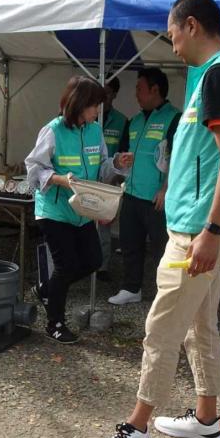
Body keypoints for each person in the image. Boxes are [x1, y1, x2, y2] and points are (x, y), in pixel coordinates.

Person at [92, 0, 220, 438]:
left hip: (199, 230)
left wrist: (211, 229)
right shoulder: (208, 78)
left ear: (190, 25)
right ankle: (206, 420)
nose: (171, 45)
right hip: (197, 225)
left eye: (172, 34)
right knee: (199, 326)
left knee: (161, 329)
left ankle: (137, 428)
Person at [25, 76, 133, 344]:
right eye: (95, 105)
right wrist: (60, 179)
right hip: (54, 210)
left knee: (94, 260)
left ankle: (47, 289)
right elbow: (34, 168)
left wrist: (117, 163)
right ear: (80, 103)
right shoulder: (53, 130)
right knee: (66, 266)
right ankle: (55, 323)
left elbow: (101, 170)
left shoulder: (95, 131)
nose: (98, 110)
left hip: (83, 210)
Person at [108, 67, 181, 305]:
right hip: (131, 193)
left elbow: (180, 159)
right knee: (130, 244)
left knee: (162, 248)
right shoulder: (134, 121)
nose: (136, 94)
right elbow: (121, 157)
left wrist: (166, 189)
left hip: (157, 198)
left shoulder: (174, 119)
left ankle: (166, 293)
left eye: (139, 88)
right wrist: (120, 168)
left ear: (155, 89)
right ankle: (131, 288)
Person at [98, 77, 129, 281]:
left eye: (108, 93)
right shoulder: (89, 117)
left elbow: (125, 155)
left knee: (103, 226)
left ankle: (102, 267)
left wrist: (115, 179)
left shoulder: (122, 121)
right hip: (85, 179)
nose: (103, 98)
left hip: (109, 182)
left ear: (115, 94)